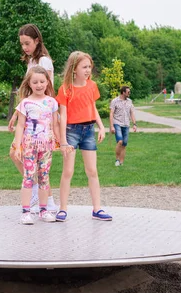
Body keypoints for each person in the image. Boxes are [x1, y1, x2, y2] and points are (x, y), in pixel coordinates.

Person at [55, 51, 110, 222]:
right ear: (74, 69)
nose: (88, 70)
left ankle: (97, 209)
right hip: (71, 131)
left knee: (92, 171)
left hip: (88, 131)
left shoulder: (92, 86)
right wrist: (63, 140)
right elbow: (62, 116)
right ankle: (62, 209)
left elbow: (93, 108)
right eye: (84, 67)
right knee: (68, 171)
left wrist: (101, 127)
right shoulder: (65, 89)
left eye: (89, 67)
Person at [8, 23, 58, 213]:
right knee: (19, 154)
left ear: (37, 41)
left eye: (27, 43)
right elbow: (27, 93)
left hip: (41, 117)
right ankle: (40, 194)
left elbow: (49, 90)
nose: (24, 47)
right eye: (22, 44)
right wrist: (16, 114)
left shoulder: (43, 61)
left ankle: (47, 199)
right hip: (29, 113)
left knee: (40, 161)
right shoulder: (31, 61)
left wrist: (51, 120)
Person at [12, 66, 59, 225]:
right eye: (35, 82)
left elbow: (55, 124)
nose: (39, 85)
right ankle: (25, 212)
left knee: (44, 178)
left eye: (42, 81)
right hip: (30, 146)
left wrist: (60, 141)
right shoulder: (25, 103)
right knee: (28, 177)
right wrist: (18, 146)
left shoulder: (52, 102)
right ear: (29, 84)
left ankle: (43, 210)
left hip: (46, 147)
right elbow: (20, 126)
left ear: (47, 82)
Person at [110, 86, 137, 167]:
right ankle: (117, 159)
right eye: (128, 92)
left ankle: (121, 163)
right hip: (117, 123)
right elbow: (111, 113)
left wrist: (134, 124)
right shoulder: (115, 101)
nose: (129, 93)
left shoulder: (130, 101)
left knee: (124, 144)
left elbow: (132, 113)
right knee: (120, 142)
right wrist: (111, 126)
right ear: (123, 92)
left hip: (126, 124)